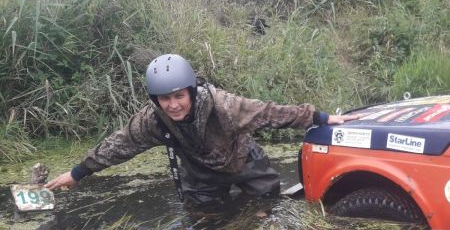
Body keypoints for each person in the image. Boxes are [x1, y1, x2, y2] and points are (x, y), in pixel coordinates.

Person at [45, 54, 357, 204]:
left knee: (268, 204)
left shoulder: (224, 106)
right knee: (205, 222)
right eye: (164, 99)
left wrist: (322, 117)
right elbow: (119, 145)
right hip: (199, 175)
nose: (173, 105)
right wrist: (78, 173)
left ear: (191, 93)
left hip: (243, 162)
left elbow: (270, 113)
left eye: (179, 96)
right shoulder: (152, 120)